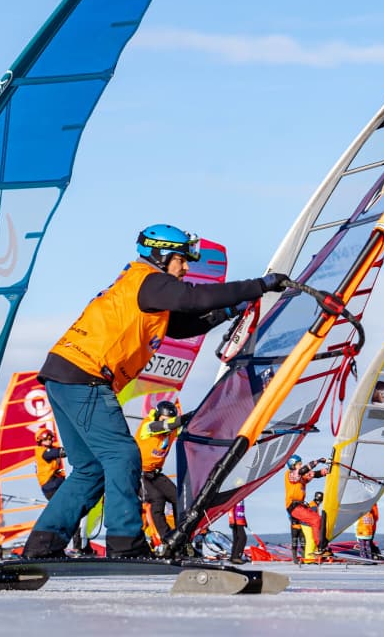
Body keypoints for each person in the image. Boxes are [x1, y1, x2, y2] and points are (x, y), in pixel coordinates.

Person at [23, 224, 290, 559]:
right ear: (162, 255)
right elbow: (195, 298)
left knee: (91, 468)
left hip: (64, 374)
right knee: (123, 455)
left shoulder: (144, 288)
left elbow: (181, 325)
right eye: (182, 260)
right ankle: (126, 543)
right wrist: (258, 286)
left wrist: (229, 311)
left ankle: (42, 545)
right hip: (85, 376)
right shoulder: (149, 280)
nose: (186, 268)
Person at [34, 429, 86, 554]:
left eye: (51, 438)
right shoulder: (43, 452)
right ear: (40, 441)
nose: (50, 440)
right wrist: (80, 446)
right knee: (66, 515)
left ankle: (78, 546)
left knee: (75, 512)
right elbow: (60, 452)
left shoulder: (51, 450)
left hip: (58, 485)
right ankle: (59, 546)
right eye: (46, 438)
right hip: (51, 487)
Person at [136, 400, 182, 545]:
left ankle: (181, 534)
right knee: (157, 499)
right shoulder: (147, 425)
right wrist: (180, 420)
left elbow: (191, 429)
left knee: (178, 497)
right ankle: (166, 537)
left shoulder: (173, 430)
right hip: (138, 473)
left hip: (155, 474)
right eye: (164, 420)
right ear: (156, 416)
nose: (168, 424)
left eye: (170, 421)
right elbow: (159, 427)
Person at [284, 454, 328, 562]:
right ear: (293, 465)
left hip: (300, 506)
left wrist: (329, 470)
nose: (301, 465)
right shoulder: (290, 474)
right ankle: (320, 547)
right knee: (315, 519)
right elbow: (302, 471)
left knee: (320, 519)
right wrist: (317, 461)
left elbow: (314, 474)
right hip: (293, 506)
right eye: (299, 464)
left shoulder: (302, 477)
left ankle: (322, 546)